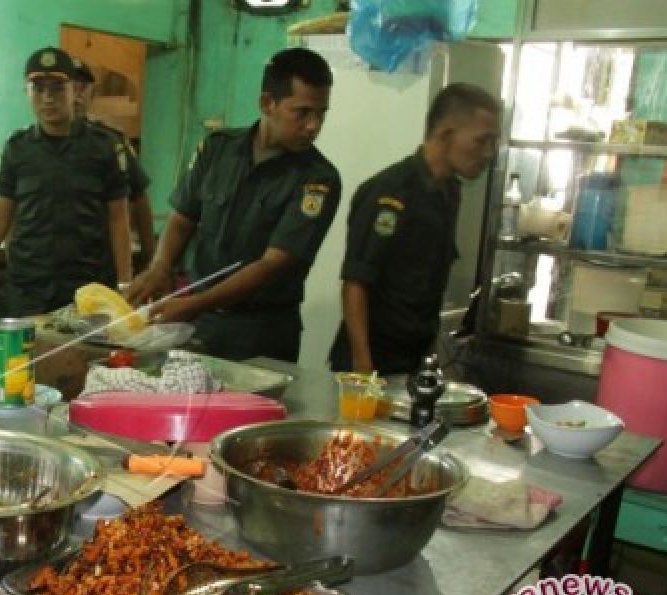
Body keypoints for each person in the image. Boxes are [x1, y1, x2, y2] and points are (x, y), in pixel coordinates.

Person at [125, 47, 340, 362]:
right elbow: (183, 217)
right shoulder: (218, 149)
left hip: (262, 332)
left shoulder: (318, 180)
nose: (314, 126)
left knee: (256, 412)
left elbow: (271, 265)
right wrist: (160, 266)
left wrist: (195, 303)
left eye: (321, 114)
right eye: (303, 112)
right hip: (199, 325)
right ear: (268, 103)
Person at [328, 83, 501, 376]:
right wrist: (363, 368)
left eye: (492, 142)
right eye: (481, 141)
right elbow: (355, 283)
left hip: (412, 360)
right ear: (447, 134)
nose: (488, 153)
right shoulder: (390, 192)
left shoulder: (449, 193)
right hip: (371, 360)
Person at [0, 47, 132, 316]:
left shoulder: (103, 148)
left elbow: (118, 219)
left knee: (82, 358)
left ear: (74, 90)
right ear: (27, 92)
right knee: (21, 359)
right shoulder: (17, 149)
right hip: (27, 291)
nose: (48, 98)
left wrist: (125, 282)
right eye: (38, 89)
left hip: (87, 293)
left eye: (57, 89)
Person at [71, 56, 157, 269]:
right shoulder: (30, 146)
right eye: (69, 87)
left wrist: (151, 262)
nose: (75, 96)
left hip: (98, 266)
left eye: (82, 88)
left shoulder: (112, 142)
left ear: (92, 93)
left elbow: (140, 201)